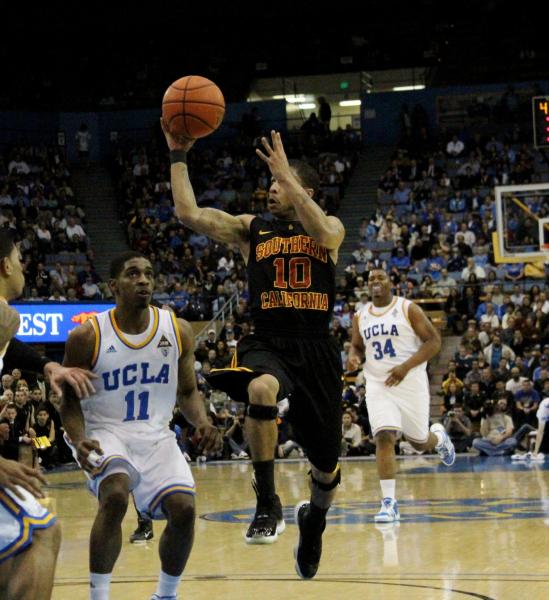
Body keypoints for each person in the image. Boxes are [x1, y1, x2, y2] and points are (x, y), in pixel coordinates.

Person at [162, 123, 345, 579]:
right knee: (260, 388)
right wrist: (177, 155)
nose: (270, 191)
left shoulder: (331, 228)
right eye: (269, 184)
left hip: (317, 349)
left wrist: (290, 177)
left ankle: (314, 522)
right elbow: (188, 212)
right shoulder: (251, 230)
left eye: (279, 184)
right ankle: (268, 502)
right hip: (268, 342)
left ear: (304, 189)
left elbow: (323, 232)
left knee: (326, 468)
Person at [60, 252, 222, 600]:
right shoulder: (87, 337)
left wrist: (203, 422)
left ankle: (166, 595)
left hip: (156, 434)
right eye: (133, 274)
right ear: (113, 285)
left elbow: (188, 391)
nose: (144, 280)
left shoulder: (176, 330)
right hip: (104, 431)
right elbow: (68, 401)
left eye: (149, 273)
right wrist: (79, 439)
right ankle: (98, 596)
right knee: (116, 493)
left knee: (184, 509)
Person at [0, 230, 96, 600]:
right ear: (6, 265)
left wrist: (49, 366)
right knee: (40, 530)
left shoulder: (6, 324)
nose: (24, 267)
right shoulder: (5, 318)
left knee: (14, 551)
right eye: (20, 260)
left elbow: (12, 349)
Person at [349, 268, 455, 523]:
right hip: (378, 384)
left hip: (410, 382)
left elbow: (434, 341)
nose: (375, 281)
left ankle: (438, 438)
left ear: (390, 283)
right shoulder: (360, 316)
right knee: (384, 436)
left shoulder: (408, 309)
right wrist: (354, 356)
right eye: (370, 278)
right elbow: (357, 345)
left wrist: (405, 367)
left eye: (380, 277)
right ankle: (389, 503)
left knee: (419, 442)